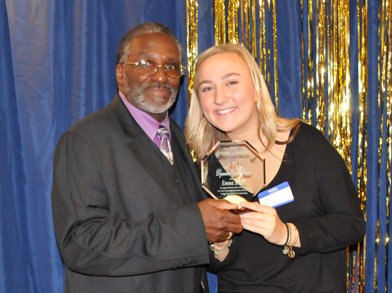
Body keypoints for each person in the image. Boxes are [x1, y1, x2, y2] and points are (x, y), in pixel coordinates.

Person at [51, 23, 243, 293]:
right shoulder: (85, 140)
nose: (161, 76)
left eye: (171, 67)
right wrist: (194, 227)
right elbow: (80, 244)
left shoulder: (180, 137)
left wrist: (218, 240)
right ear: (120, 73)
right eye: (146, 63)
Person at [184, 43, 366, 292]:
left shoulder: (305, 143)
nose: (219, 97)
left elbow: (351, 225)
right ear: (199, 103)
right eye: (207, 88)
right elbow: (214, 264)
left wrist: (287, 233)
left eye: (231, 82)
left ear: (257, 90)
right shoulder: (204, 172)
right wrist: (220, 244)